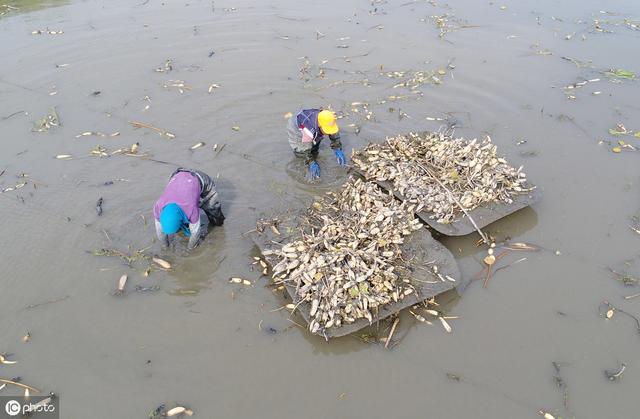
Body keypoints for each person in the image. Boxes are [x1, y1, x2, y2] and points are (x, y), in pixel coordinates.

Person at [153, 168, 224, 250]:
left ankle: (218, 223)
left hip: (199, 179)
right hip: (176, 177)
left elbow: (195, 233)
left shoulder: (190, 209)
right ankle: (181, 224)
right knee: (181, 224)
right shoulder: (158, 207)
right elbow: (160, 232)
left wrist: (190, 249)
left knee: (214, 215)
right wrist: (165, 246)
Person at [287, 108, 346, 180]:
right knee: (300, 151)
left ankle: (313, 152)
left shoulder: (327, 118)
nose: (328, 133)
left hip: (308, 120)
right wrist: (311, 162)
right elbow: (304, 150)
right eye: (326, 130)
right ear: (320, 126)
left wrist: (337, 147)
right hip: (296, 127)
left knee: (315, 146)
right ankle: (308, 163)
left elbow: (333, 131)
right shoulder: (308, 131)